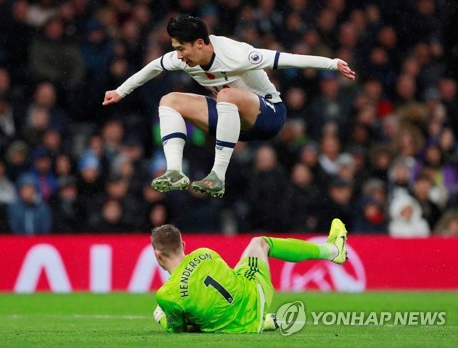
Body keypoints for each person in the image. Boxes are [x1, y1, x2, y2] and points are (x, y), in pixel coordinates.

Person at [103, 15, 356, 197]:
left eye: (181, 48)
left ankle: (218, 176)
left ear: (200, 43)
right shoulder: (183, 58)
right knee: (169, 101)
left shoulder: (236, 53)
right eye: (175, 49)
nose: (178, 55)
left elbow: (286, 59)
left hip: (268, 115)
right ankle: (175, 172)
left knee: (226, 96)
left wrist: (332, 63)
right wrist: (121, 91)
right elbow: (154, 67)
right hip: (230, 122)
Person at [151, 218, 348, 333]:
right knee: (259, 243)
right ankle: (331, 250)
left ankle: (260, 321)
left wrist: (161, 317)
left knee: (193, 315)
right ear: (183, 245)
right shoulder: (204, 253)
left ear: (157, 255)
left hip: (231, 327)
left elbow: (177, 329)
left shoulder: (167, 295)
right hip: (255, 296)